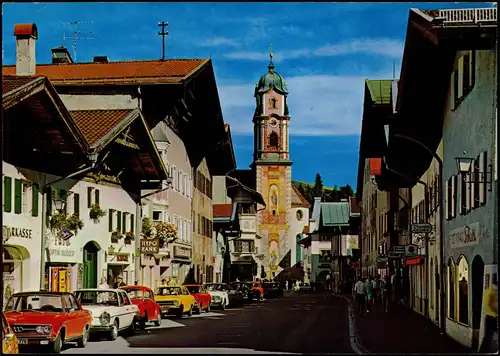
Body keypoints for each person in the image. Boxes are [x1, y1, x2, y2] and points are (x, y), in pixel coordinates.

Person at [479, 279, 498, 353]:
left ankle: (482, 351)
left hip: (488, 315)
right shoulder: (494, 291)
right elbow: (493, 305)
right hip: (493, 316)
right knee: (489, 336)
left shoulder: (488, 290)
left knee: (488, 336)